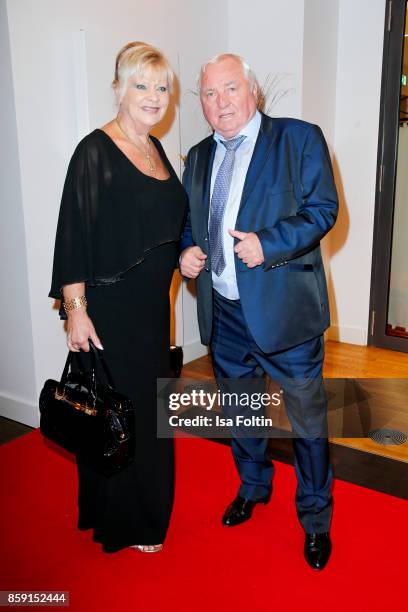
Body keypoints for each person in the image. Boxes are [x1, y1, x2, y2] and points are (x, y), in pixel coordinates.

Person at [180, 53, 338, 570]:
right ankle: (253, 486)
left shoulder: (298, 138)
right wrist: (187, 252)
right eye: (209, 94)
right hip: (224, 312)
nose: (220, 102)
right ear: (201, 102)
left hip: (286, 313)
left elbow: (322, 210)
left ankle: (315, 518)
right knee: (242, 410)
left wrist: (267, 244)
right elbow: (192, 220)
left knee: (308, 421)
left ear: (252, 91)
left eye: (229, 89)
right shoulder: (198, 156)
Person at [49, 42, 187, 554]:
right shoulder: (94, 150)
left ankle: (135, 509)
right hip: (109, 310)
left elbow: (162, 230)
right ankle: (128, 522)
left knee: (148, 410)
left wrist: (184, 258)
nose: (153, 96)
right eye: (141, 84)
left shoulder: (156, 150)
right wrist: (76, 310)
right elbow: (72, 234)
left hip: (151, 310)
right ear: (117, 90)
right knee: (117, 412)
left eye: (161, 87)